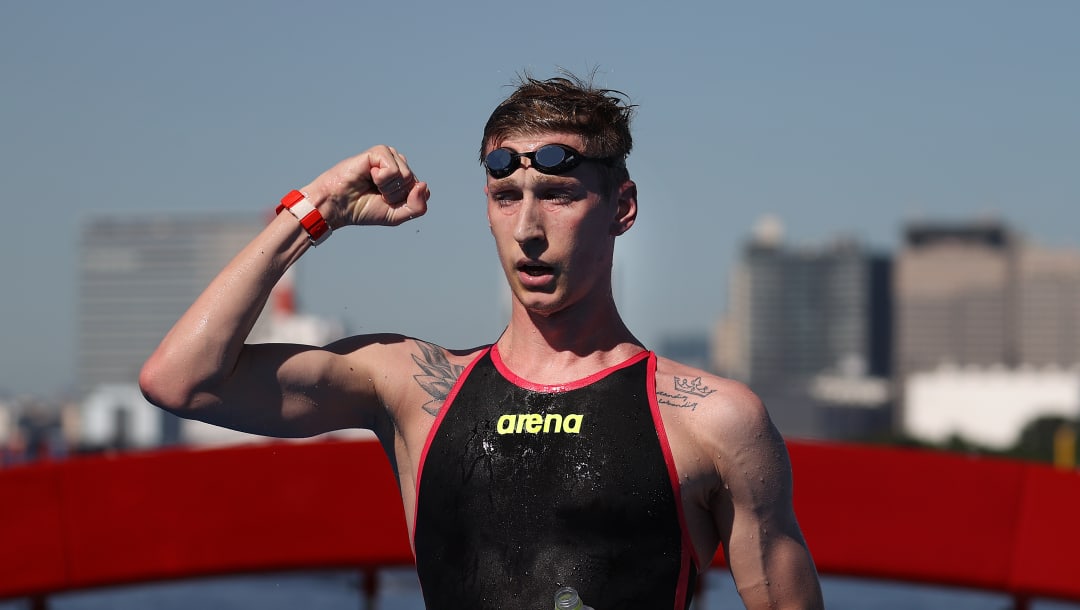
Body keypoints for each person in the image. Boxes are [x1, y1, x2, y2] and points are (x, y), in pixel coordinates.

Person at [140, 72, 824, 610]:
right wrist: (317, 207)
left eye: (556, 194)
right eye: (505, 197)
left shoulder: (710, 418)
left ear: (622, 207)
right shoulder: (414, 388)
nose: (528, 227)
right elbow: (181, 380)